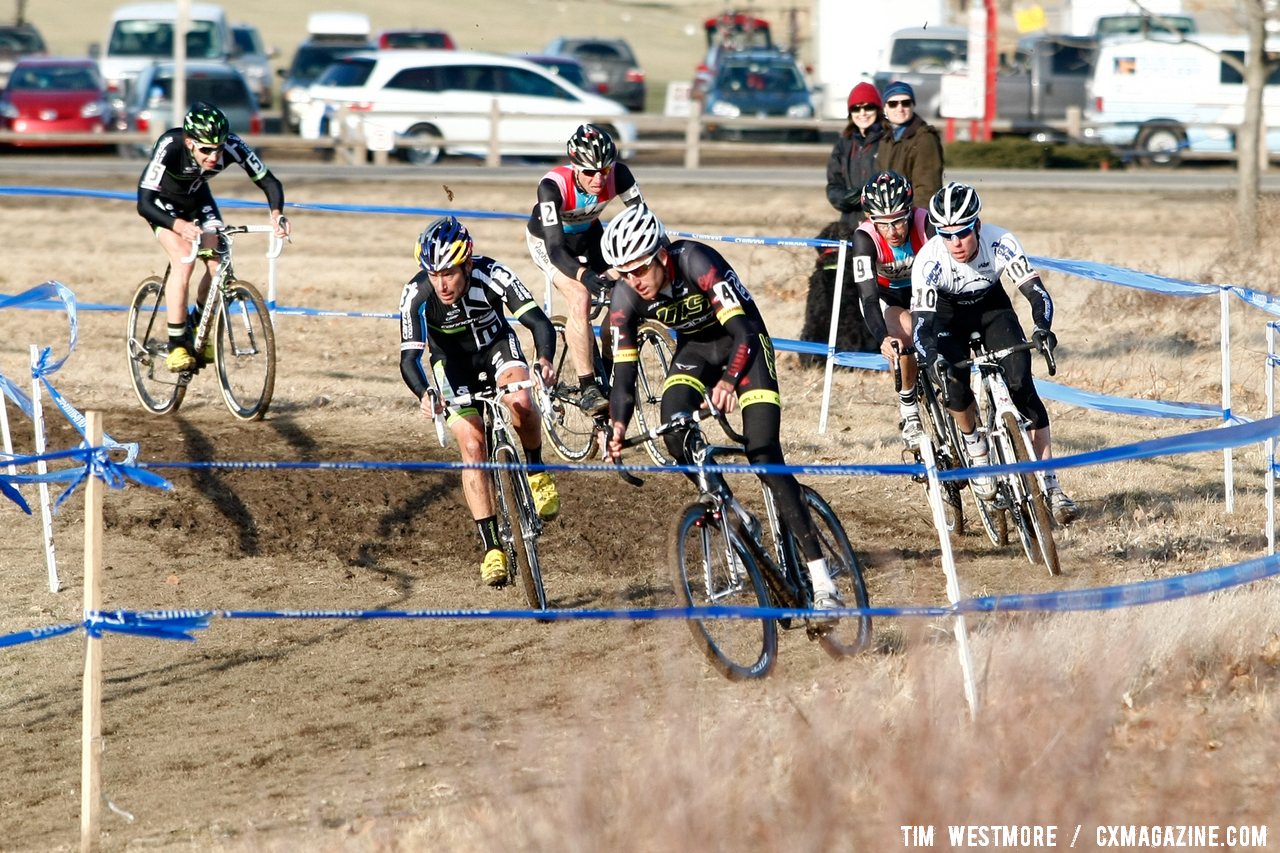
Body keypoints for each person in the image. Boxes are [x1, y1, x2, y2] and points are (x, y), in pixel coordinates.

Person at [601, 203, 844, 617]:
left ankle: (823, 583)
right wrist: (618, 425)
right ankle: (735, 513)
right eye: (624, 272)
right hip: (696, 352)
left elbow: (743, 329)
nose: (633, 281)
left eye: (639, 269)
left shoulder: (696, 261)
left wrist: (730, 381)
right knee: (674, 430)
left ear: (660, 256)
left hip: (744, 346)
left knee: (765, 457)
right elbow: (624, 376)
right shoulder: (625, 298)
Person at [400, 216, 561, 587]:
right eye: (434, 273)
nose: (441, 283)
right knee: (473, 446)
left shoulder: (493, 275)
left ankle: (536, 471)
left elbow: (539, 323)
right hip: (451, 366)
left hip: (496, 349)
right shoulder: (417, 294)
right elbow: (409, 358)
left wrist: (544, 361)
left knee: (520, 400)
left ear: (467, 264)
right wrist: (425, 393)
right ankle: (491, 548)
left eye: (450, 273)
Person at [910, 182, 1078, 524]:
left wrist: (1042, 328)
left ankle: (1051, 485)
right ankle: (976, 451)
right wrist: (931, 357)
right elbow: (921, 326)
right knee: (954, 386)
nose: (955, 242)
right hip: (946, 316)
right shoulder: (929, 260)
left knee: (1022, 386)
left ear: (978, 226)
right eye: (946, 234)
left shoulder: (1001, 242)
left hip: (992, 308)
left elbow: (1037, 294)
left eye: (963, 233)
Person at [136, 102, 290, 373]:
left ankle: (198, 325)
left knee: (218, 265)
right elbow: (144, 202)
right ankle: (176, 346)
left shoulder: (232, 145)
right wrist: (178, 225)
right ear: (189, 142)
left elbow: (268, 180)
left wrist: (276, 214)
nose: (213, 157)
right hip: (163, 205)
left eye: (218, 149)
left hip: (198, 200)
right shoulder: (171, 145)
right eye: (205, 150)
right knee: (184, 259)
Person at [525, 123, 644, 418]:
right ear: (575, 166)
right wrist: (584, 276)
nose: (598, 178)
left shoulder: (620, 175)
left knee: (627, 288)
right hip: (550, 241)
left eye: (604, 170)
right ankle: (588, 386)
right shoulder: (551, 186)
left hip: (590, 235)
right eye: (589, 172)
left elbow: (642, 218)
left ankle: (607, 357)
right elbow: (555, 248)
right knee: (580, 296)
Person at [798, 81, 886, 363]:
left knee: (877, 288)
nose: (863, 112)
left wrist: (873, 201)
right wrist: (851, 198)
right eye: (857, 108)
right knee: (849, 292)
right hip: (850, 228)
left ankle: (875, 346)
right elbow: (833, 187)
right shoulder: (844, 144)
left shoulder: (887, 142)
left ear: (877, 109)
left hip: (882, 226)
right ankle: (843, 349)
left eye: (868, 107)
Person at [851, 170, 933, 444]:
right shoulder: (864, 238)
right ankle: (909, 410)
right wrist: (883, 338)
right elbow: (869, 298)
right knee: (904, 337)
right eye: (882, 224)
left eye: (898, 222)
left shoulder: (925, 223)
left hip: (923, 291)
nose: (892, 232)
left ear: (909, 212)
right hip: (886, 298)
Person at [876, 81, 944, 210]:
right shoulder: (886, 138)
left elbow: (927, 189)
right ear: (885, 108)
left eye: (906, 103)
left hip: (911, 217)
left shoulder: (925, 138)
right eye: (893, 104)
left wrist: (915, 220)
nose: (900, 108)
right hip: (889, 216)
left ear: (913, 105)